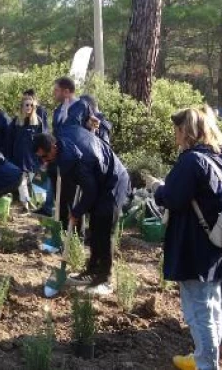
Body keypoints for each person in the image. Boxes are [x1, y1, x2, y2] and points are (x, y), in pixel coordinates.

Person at [146, 107, 222, 370]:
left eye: (176, 130)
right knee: (213, 304)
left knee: (198, 310)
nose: (175, 135)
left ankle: (206, 363)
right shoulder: (221, 154)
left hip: (194, 244)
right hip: (216, 241)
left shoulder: (192, 161)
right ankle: (206, 357)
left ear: (186, 130)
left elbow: (173, 198)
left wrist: (158, 189)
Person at [34, 126, 130, 295]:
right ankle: (92, 271)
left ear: (54, 147)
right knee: (94, 227)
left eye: (45, 156)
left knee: (103, 228)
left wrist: (76, 212)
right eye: (40, 157)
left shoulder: (75, 160)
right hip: (99, 178)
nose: (44, 161)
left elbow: (90, 191)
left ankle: (105, 279)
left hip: (114, 181)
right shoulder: (62, 140)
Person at [34, 76, 92, 218]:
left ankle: (76, 232)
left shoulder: (82, 106)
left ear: (66, 91)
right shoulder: (58, 110)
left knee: (73, 198)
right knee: (59, 198)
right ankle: (61, 229)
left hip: (75, 161)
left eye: (57, 90)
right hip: (58, 159)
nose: (54, 93)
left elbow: (89, 130)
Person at [8, 94, 48, 210]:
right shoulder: (16, 122)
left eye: (31, 105)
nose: (29, 107)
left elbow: (44, 140)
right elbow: (9, 140)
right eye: (26, 105)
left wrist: (45, 157)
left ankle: (43, 206)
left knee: (39, 182)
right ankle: (25, 205)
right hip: (19, 157)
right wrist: (9, 157)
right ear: (22, 106)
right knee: (22, 183)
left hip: (35, 158)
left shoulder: (38, 122)